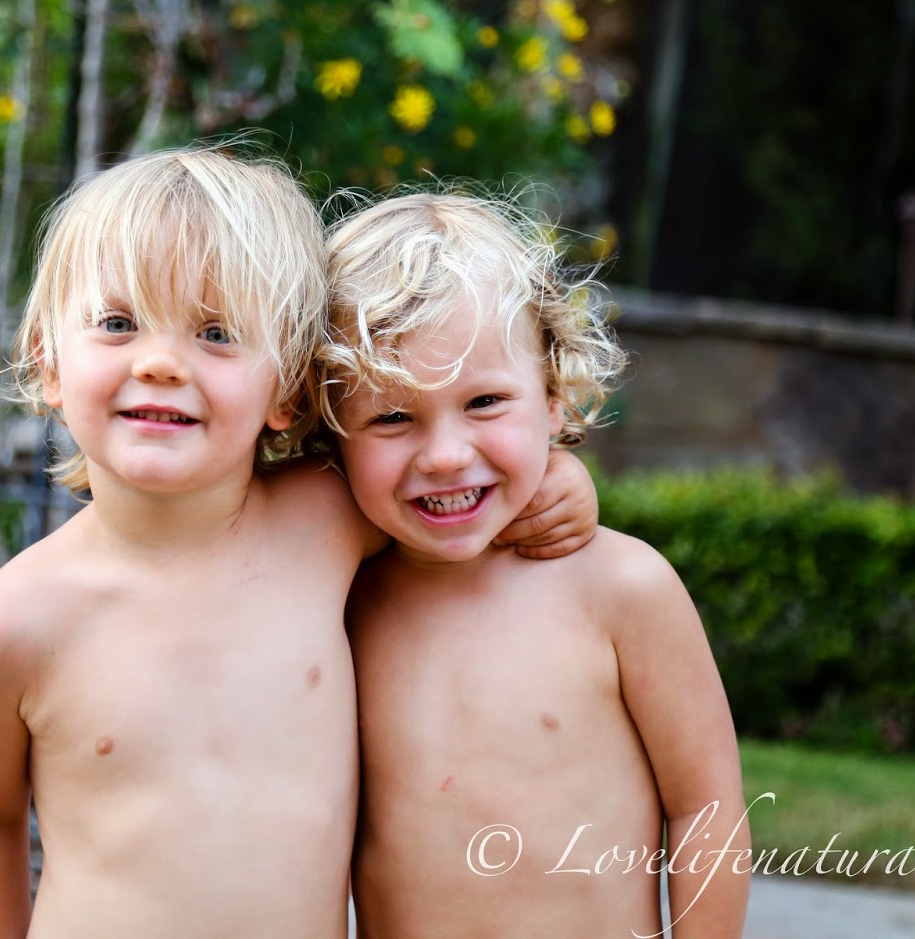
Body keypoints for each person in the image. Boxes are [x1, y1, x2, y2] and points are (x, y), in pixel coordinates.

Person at [0, 148, 599, 939]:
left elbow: (443, 486)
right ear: (48, 361)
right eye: (118, 323)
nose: (160, 362)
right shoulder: (14, 622)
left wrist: (557, 475)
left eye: (216, 333)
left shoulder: (326, 522)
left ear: (285, 385)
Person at [319, 192, 750, 938]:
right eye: (392, 416)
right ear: (330, 433)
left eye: (485, 401)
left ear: (553, 396)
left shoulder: (622, 590)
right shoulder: (336, 600)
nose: (445, 455)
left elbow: (705, 808)